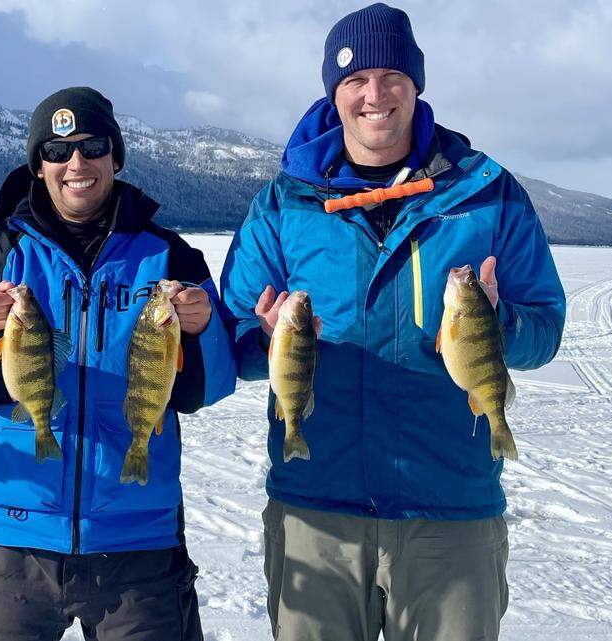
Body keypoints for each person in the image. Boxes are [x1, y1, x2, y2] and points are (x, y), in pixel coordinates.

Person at [220, 4, 566, 640]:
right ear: (334, 93)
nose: (374, 95)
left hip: (450, 512)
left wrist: (497, 326)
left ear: (416, 85)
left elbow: (545, 327)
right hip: (316, 512)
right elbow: (232, 336)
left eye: (391, 77)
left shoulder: (487, 194)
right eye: (355, 80)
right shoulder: (283, 203)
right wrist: (262, 340)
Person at [0, 87, 235, 640]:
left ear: (115, 157)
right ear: (39, 166)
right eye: (57, 151)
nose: (76, 163)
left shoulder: (170, 257)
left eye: (92, 146)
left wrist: (201, 330)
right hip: (15, 535)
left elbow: (208, 388)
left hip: (139, 540)